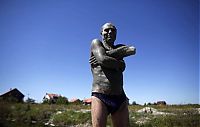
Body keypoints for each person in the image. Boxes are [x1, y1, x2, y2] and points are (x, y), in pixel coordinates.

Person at [89, 22, 136, 127]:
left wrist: (105, 56)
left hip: (120, 97)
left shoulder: (120, 46)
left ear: (116, 34)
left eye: (113, 30)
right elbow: (103, 60)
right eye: (106, 30)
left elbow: (130, 53)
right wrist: (106, 58)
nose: (110, 32)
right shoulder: (96, 43)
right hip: (100, 95)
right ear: (101, 32)